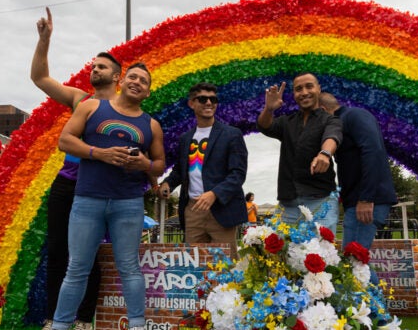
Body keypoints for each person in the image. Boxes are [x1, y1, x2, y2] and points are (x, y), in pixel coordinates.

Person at [22, 62, 166, 330]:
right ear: (122, 80)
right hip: (87, 199)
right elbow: (65, 141)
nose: (137, 82)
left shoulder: (150, 124)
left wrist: (144, 165)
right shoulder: (90, 108)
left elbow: (158, 165)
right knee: (77, 268)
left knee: (129, 267)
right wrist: (98, 153)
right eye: (133, 77)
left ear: (148, 91)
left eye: (144, 80)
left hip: (128, 202)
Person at [24, 8, 120, 330]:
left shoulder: (127, 107)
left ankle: (83, 324)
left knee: (88, 254)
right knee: (57, 251)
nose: (94, 70)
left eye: (102, 67)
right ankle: (52, 325)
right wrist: (44, 40)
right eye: (93, 65)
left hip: (101, 187)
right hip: (68, 182)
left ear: (117, 76)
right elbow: (40, 79)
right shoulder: (82, 99)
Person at [158, 83, 249, 255]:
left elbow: (238, 174)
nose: (209, 103)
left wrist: (214, 194)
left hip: (221, 209)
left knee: (225, 267)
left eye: (213, 99)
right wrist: (167, 183)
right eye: (202, 99)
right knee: (194, 265)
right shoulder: (185, 138)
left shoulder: (232, 134)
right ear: (191, 103)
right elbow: (180, 170)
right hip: (192, 211)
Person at [257, 73, 341, 232]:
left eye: (309, 86)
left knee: (321, 254)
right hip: (288, 204)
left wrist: (324, 154)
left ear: (318, 89)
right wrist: (269, 109)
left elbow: (333, 136)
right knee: (283, 254)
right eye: (298, 89)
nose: (304, 92)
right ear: (294, 94)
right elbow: (265, 126)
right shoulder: (287, 121)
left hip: (320, 202)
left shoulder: (330, 120)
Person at [319, 93, 397, 250]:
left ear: (322, 110)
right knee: (355, 263)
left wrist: (366, 198)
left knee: (353, 262)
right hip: (355, 201)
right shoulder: (341, 123)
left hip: (367, 201)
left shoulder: (354, 116)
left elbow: (373, 151)